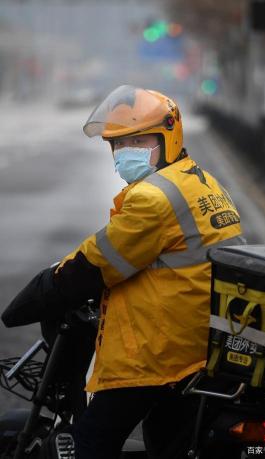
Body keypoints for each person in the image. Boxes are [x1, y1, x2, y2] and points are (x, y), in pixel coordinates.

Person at [2, 85, 244, 458]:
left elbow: (96, 264)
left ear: (169, 136)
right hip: (200, 346)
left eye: (137, 140)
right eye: (117, 144)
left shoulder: (153, 198)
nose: (123, 152)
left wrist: (45, 290)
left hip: (159, 353)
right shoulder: (200, 181)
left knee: (90, 444)